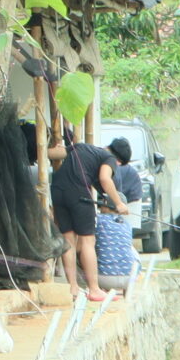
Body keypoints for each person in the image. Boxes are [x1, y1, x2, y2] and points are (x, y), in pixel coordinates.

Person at [47, 126, 129, 301]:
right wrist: (119, 204)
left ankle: (73, 288)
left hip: (57, 190)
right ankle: (94, 289)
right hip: (79, 194)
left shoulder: (82, 147)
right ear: (120, 162)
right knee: (87, 241)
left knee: (68, 240)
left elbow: (54, 154)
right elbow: (105, 179)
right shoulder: (109, 159)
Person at [93, 137, 142, 292]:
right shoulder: (126, 226)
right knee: (132, 253)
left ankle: (98, 288)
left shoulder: (98, 222)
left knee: (91, 249)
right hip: (128, 280)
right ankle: (128, 291)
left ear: (105, 206)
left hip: (103, 279)